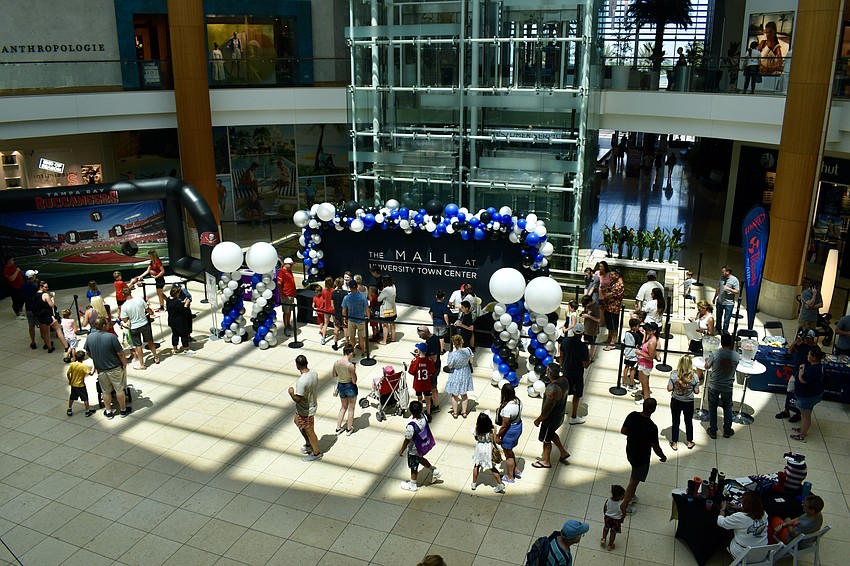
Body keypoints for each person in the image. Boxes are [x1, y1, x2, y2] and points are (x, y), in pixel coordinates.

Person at [619, 398, 667, 516]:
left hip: (630, 451)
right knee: (634, 482)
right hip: (642, 458)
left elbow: (623, 431)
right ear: (654, 409)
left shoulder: (632, 416)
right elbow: (655, 446)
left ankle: (631, 494)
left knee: (634, 473)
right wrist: (663, 457)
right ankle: (625, 505)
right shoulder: (651, 427)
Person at [85, 317, 129, 419]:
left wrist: (95, 358)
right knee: (119, 389)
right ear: (104, 325)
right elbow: (120, 353)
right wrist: (124, 364)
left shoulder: (90, 337)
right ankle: (123, 410)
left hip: (101, 370)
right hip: (115, 368)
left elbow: (87, 352)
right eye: (108, 323)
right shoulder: (111, 337)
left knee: (105, 391)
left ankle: (108, 411)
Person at [532, 362, 570, 468]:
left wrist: (538, 420)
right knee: (552, 434)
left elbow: (547, 410)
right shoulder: (564, 380)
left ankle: (546, 461)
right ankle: (563, 452)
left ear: (548, 372)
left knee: (546, 440)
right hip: (560, 414)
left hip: (550, 420)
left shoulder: (552, 390)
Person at [398, 400, 440, 491]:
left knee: (413, 467)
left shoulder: (411, 426)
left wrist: (402, 450)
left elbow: (407, 439)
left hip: (414, 449)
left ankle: (412, 484)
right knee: (420, 459)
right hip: (422, 446)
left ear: (410, 411)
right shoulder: (424, 417)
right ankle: (433, 471)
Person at [777, 329, 816, 422]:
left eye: (806, 338)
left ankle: (798, 414)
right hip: (795, 373)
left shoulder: (815, 350)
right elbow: (789, 352)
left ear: (811, 339)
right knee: (790, 391)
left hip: (805, 376)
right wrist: (796, 342)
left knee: (799, 395)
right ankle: (786, 411)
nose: (804, 340)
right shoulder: (802, 345)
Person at [705, 333, 739, 439]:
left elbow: (707, 366)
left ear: (721, 342)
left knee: (712, 407)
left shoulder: (716, 354)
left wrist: (707, 360)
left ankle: (713, 430)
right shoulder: (736, 355)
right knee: (728, 407)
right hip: (727, 386)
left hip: (714, 384)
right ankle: (727, 431)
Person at [289, 355, 322, 461]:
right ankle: (308, 444)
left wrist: (291, 393)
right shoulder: (313, 373)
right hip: (309, 406)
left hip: (306, 410)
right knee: (297, 421)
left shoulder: (301, 382)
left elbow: (298, 399)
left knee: (310, 431)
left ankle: (316, 453)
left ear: (297, 366)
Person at [717, 492, 768, 560]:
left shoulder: (740, 517)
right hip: (762, 554)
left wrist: (722, 509)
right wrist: (740, 508)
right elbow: (753, 511)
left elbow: (721, 522)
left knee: (725, 539)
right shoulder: (764, 514)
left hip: (744, 555)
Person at [791, 346, 824, 443]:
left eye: (809, 354)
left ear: (814, 357)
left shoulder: (813, 370)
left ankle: (802, 435)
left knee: (806, 417)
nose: (807, 356)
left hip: (807, 397)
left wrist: (801, 370)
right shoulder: (817, 366)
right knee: (804, 415)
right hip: (811, 395)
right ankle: (802, 429)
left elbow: (802, 380)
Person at [120, 287, 159, 370]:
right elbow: (148, 309)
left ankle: (142, 364)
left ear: (123, 295)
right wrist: (151, 312)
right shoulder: (139, 299)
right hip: (144, 324)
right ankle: (156, 357)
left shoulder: (124, 306)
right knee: (150, 341)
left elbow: (124, 319)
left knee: (138, 345)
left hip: (134, 327)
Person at [559, 323, 590, 425]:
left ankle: (561, 411)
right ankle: (573, 417)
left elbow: (561, 357)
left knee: (565, 392)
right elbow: (585, 365)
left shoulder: (565, 342)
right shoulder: (583, 347)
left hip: (566, 372)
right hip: (576, 374)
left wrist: (562, 367)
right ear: (582, 333)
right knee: (576, 395)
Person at [667, 355, 699, 450]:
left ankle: (674, 442)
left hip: (676, 401)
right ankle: (689, 441)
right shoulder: (695, 376)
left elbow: (669, 388)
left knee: (675, 421)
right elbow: (697, 391)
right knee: (688, 421)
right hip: (688, 402)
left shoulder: (673, 374)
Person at [471, 412, 506, 493]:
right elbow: (494, 441)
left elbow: (476, 438)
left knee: (476, 466)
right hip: (488, 449)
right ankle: (500, 484)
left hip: (479, 449)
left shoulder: (477, 429)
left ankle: (473, 483)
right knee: (492, 467)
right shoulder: (492, 429)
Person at [495, 383, 522, 483]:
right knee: (510, 451)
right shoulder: (518, 402)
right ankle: (515, 469)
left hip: (510, 432)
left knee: (508, 455)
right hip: (518, 427)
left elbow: (505, 426)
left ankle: (510, 476)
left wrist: (498, 436)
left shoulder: (507, 409)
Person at [444, 334, 474, 419]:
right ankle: (464, 412)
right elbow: (471, 361)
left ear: (454, 343)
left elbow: (450, 366)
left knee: (455, 394)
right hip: (465, 372)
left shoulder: (452, 354)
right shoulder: (468, 350)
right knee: (464, 394)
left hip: (456, 373)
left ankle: (455, 412)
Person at [35, 281, 69, 354]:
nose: (47, 288)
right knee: (58, 329)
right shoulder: (45, 295)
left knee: (45, 333)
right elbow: (52, 305)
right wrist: (53, 298)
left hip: (40, 317)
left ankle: (49, 347)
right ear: (41, 287)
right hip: (48, 316)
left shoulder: (35, 295)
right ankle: (66, 346)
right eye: (46, 287)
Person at [333, 344, 358, 435]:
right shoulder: (350, 366)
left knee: (343, 407)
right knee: (351, 408)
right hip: (350, 387)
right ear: (350, 353)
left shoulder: (336, 363)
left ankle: (338, 428)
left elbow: (334, 375)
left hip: (341, 386)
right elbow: (354, 381)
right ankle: (348, 428)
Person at [417, 326, 443, 413]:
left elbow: (433, 359)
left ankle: (436, 405)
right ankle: (430, 399)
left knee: (433, 387)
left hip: (434, 368)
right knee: (430, 386)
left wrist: (422, 357)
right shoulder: (432, 338)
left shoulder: (432, 342)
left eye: (421, 336)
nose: (420, 337)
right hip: (432, 367)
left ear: (424, 333)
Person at [634, 322, 658, 404]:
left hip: (645, 365)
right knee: (642, 381)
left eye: (649, 330)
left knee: (645, 383)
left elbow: (651, 357)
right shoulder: (650, 338)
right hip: (643, 363)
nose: (647, 331)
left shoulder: (652, 342)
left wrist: (640, 353)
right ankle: (644, 394)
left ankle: (646, 400)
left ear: (654, 331)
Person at [341, 279, 369, 352]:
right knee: (362, 338)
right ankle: (363, 351)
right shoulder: (363, 297)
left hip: (351, 320)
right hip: (361, 320)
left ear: (349, 287)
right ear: (357, 286)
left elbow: (344, 310)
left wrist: (344, 319)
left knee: (352, 338)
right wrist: (368, 318)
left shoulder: (346, 298)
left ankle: (352, 353)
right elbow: (367, 309)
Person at [66, 351, 96, 418]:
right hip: (80, 385)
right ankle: (87, 411)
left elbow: (68, 373)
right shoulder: (83, 366)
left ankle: (69, 409)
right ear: (83, 358)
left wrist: (70, 380)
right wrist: (94, 367)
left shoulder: (72, 364)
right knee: (85, 398)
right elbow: (90, 374)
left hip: (73, 384)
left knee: (72, 397)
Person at [410, 343, 436, 417]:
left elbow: (411, 371)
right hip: (427, 383)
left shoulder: (415, 361)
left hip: (418, 384)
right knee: (427, 398)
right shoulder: (429, 360)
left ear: (419, 350)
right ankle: (428, 413)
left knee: (419, 398)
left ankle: (420, 412)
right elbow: (432, 371)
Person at [712, 265, 740, 335]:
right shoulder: (721, 278)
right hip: (720, 301)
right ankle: (718, 329)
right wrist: (715, 297)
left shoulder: (734, 280)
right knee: (718, 317)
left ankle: (724, 331)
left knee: (726, 319)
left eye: (723, 272)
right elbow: (718, 288)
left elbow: (737, 291)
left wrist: (729, 289)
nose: (722, 273)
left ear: (728, 272)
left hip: (729, 303)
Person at [166, 286, 193, 355]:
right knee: (183, 334)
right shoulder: (177, 303)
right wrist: (186, 304)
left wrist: (181, 303)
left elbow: (174, 307)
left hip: (171, 320)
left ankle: (175, 349)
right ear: (177, 293)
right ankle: (186, 349)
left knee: (175, 334)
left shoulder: (168, 300)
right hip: (179, 322)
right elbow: (184, 311)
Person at [601, 270, 624, 348]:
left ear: (617, 275)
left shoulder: (619, 285)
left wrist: (604, 292)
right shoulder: (614, 282)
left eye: (612, 275)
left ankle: (613, 342)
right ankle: (609, 338)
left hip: (614, 308)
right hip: (609, 307)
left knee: (614, 326)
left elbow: (609, 295)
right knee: (609, 325)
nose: (610, 276)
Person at [601, 485, 626, 551]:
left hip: (608, 518)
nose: (624, 496)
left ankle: (603, 538)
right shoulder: (621, 504)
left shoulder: (608, 500)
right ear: (618, 496)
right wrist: (622, 519)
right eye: (623, 495)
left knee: (606, 528)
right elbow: (624, 513)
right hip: (616, 520)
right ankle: (610, 545)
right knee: (613, 532)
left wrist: (605, 514)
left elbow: (604, 508)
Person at [277, 257, 297, 335]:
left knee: (289, 311)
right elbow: (279, 284)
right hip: (286, 295)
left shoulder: (288, 270)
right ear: (286, 264)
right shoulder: (282, 272)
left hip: (291, 294)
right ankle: (286, 327)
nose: (292, 266)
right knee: (286, 312)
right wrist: (282, 295)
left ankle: (288, 324)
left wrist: (294, 291)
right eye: (291, 265)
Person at [22, 269, 40, 348]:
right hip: (36, 308)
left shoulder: (23, 285)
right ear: (32, 276)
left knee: (31, 326)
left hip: (28, 308)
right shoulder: (34, 286)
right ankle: (46, 341)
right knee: (42, 325)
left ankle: (33, 342)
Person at [622, 317, 641, 390]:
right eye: (638, 326)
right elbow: (640, 344)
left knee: (626, 367)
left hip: (627, 353)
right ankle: (631, 384)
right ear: (635, 326)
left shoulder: (627, 333)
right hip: (633, 355)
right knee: (633, 369)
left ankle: (624, 382)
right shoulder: (636, 335)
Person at [580, 295, 600, 361]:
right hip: (586, 328)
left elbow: (598, 319)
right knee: (585, 342)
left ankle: (591, 357)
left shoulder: (596, 307)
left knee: (592, 343)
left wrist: (588, 316)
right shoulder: (587, 306)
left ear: (590, 301)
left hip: (592, 330)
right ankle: (585, 355)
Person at [377, 276, 397, 344]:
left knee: (385, 325)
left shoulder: (385, 290)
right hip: (393, 308)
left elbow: (379, 299)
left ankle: (384, 341)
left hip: (386, 310)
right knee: (392, 323)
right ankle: (393, 338)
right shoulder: (393, 286)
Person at [330, 276, 348, 350]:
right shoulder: (345, 293)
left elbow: (332, 304)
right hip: (344, 314)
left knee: (336, 329)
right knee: (345, 329)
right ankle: (347, 344)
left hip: (337, 313)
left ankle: (335, 344)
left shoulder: (333, 293)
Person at [319, 277, 333, 345]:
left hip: (326, 309)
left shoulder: (324, 291)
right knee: (336, 325)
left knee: (325, 324)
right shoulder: (333, 291)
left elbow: (324, 299)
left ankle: (323, 338)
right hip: (333, 310)